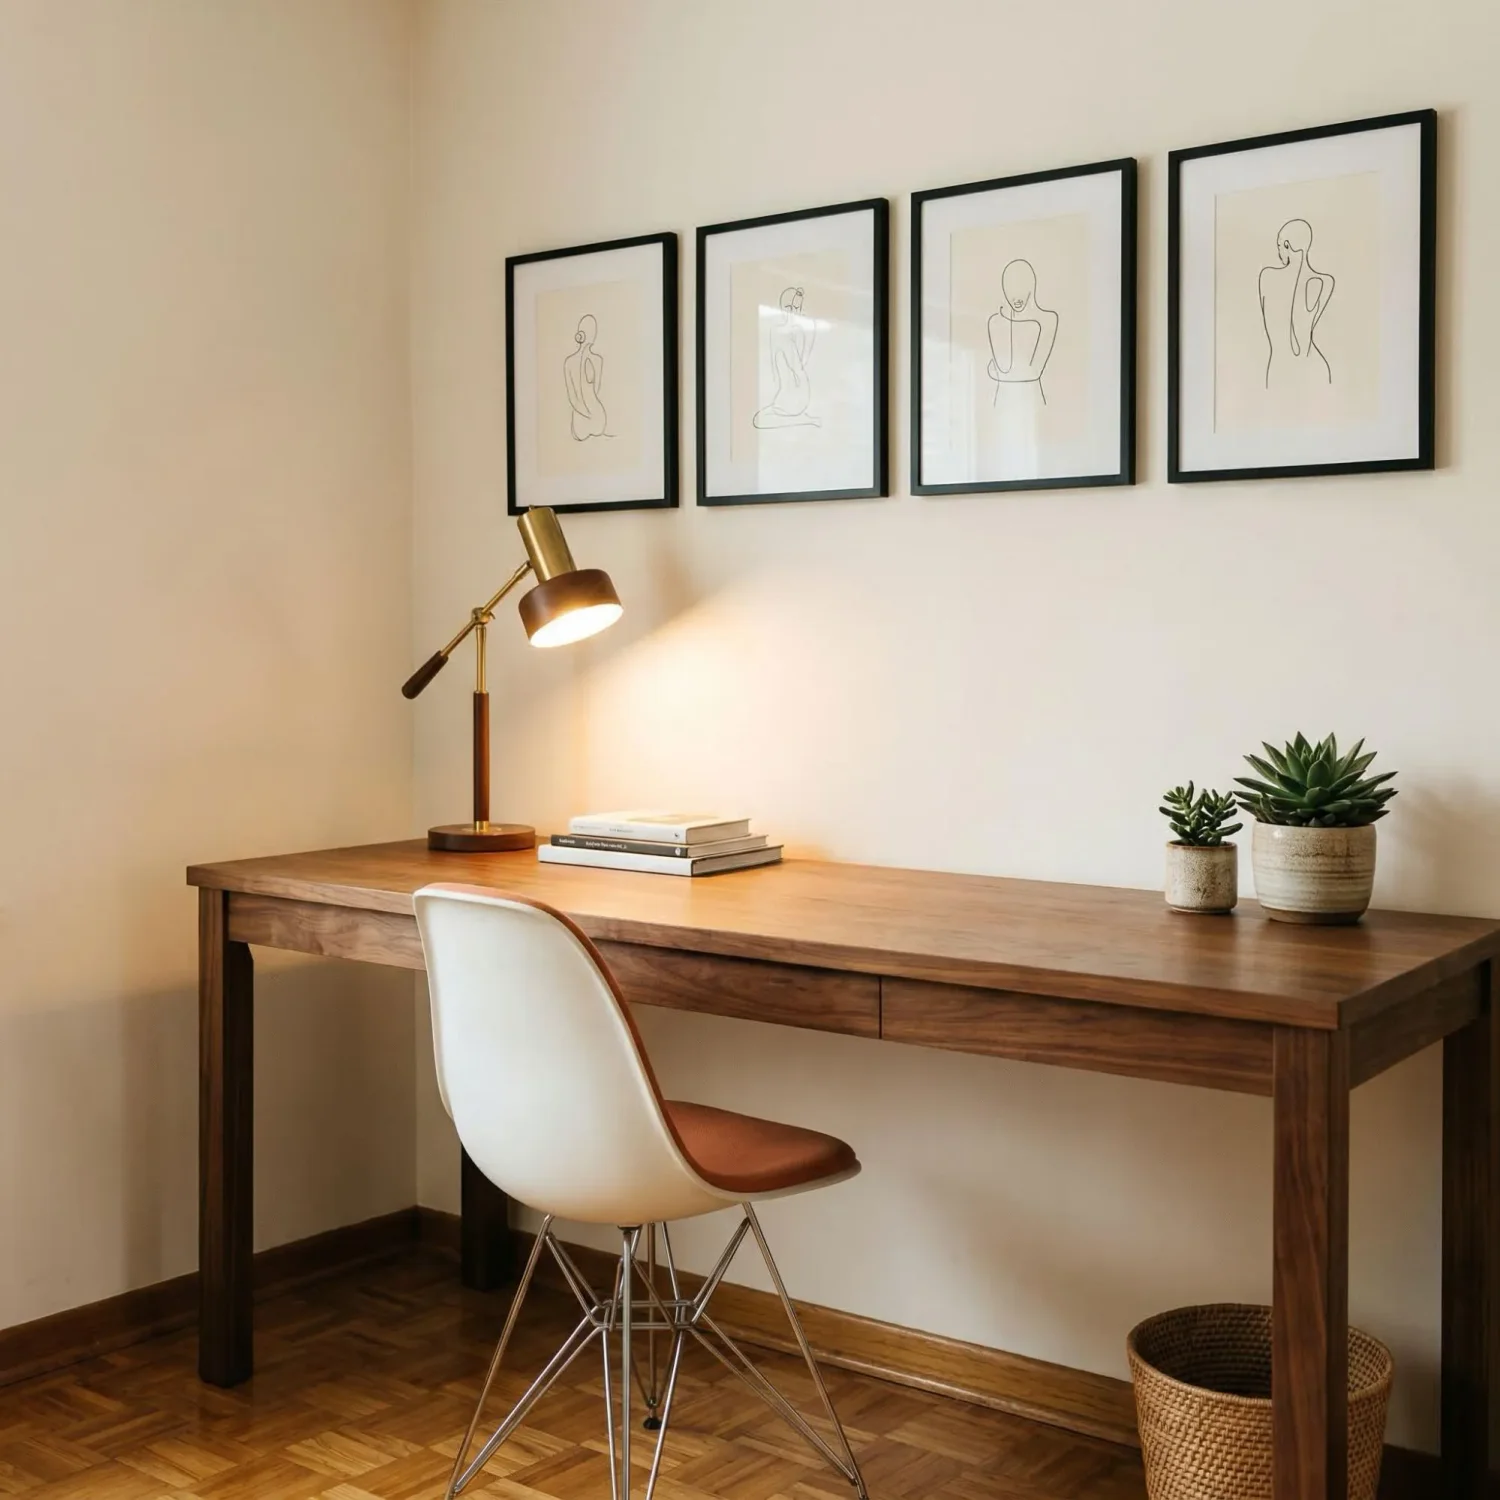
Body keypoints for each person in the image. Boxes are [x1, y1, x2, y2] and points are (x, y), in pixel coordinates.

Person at [1259, 219, 1335, 391]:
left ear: (1287, 244)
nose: (1278, 251)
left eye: (1279, 245)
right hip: (1313, 369)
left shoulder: (1267, 277)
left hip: (1279, 369)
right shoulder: (1325, 281)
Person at [987, 258, 1058, 409]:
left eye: (1021, 286)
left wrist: (996, 371)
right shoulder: (996, 322)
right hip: (1001, 402)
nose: (1015, 296)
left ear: (1031, 286)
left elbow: (1033, 372)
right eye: (1010, 288)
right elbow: (1006, 370)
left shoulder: (1048, 320)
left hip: (1032, 403)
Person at [753, 287, 819, 429]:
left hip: (794, 394)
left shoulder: (794, 331)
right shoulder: (780, 330)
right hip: (790, 394)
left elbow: (797, 365)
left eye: (795, 308)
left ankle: (805, 420)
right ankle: (805, 419)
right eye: (789, 307)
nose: (791, 312)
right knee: (759, 419)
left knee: (759, 420)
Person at [563, 314, 608, 440]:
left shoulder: (596, 360)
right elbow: (593, 390)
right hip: (585, 418)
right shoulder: (571, 362)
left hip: (592, 417)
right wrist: (587, 412)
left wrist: (587, 412)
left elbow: (574, 396)